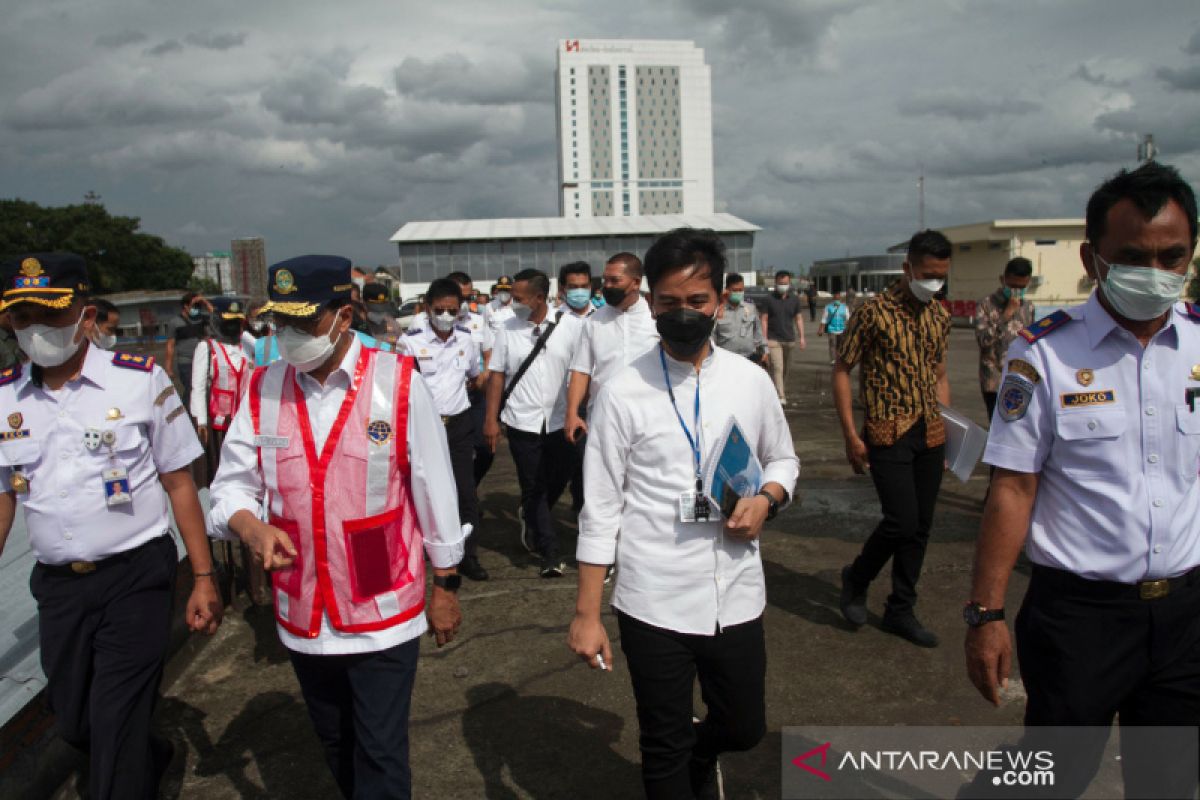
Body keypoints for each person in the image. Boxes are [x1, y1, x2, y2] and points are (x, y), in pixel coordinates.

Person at [964, 162, 1200, 798]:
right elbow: (1012, 488)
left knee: (1171, 778)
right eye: (1133, 256)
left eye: (1172, 256)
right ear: (1093, 257)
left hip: (1185, 613)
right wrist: (985, 614)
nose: (1155, 272)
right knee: (1054, 773)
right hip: (1080, 619)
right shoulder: (1043, 353)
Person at [207, 255, 466, 800]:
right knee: (334, 741)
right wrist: (251, 528)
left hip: (382, 600)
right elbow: (230, 485)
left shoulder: (396, 382)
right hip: (302, 600)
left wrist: (445, 585)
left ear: (343, 316)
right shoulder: (263, 387)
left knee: (380, 749)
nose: (288, 337)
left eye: (303, 323)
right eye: (279, 324)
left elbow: (433, 488)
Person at [568, 228, 798, 799]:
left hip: (737, 591)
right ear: (651, 302)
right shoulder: (622, 391)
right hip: (654, 598)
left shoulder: (749, 381)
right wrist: (587, 613)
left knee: (745, 728)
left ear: (720, 301)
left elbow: (784, 458)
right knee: (662, 745)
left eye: (697, 302)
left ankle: (705, 752)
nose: (683, 313)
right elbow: (599, 508)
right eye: (669, 302)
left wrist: (767, 499)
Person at [0, 253, 221, 800]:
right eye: (23, 318)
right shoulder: (5, 397)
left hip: (134, 577)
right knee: (75, 720)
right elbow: (4, 496)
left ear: (85, 314)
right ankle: (153, 754)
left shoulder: (139, 382)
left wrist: (202, 576)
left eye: (51, 316)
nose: (38, 331)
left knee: (116, 721)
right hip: (59, 588)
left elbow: (179, 484)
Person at [834, 229, 952, 647]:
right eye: (926, 274)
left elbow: (939, 373)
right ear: (907, 269)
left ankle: (901, 608)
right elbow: (842, 368)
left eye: (941, 275)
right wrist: (851, 434)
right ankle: (857, 576)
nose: (933, 282)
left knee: (921, 526)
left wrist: (947, 431)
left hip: (930, 431)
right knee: (901, 519)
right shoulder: (873, 312)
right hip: (886, 430)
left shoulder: (940, 314)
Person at [483, 269, 583, 577]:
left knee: (561, 477)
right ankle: (549, 551)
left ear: (540, 298)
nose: (513, 302)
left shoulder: (572, 327)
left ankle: (531, 515)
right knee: (533, 484)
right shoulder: (507, 330)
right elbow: (497, 376)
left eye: (520, 297)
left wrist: (578, 411)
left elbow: (582, 372)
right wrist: (491, 420)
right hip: (521, 421)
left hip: (560, 420)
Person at [397, 278, 487, 582]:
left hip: (458, 423)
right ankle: (424, 551)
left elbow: (474, 376)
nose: (446, 316)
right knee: (424, 490)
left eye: (452, 310)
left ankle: (468, 555)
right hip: (424, 427)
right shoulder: (410, 342)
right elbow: (403, 386)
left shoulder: (465, 339)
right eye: (440, 310)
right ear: (427, 308)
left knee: (465, 491)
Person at [189, 297, 250, 483]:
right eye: (228, 320)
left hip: (244, 420)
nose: (232, 325)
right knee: (220, 471)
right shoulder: (207, 348)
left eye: (236, 321)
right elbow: (198, 387)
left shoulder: (246, 348)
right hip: (219, 423)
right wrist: (200, 421)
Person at [973, 257, 1036, 419]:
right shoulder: (985, 305)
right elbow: (983, 341)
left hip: (1022, 378)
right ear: (1003, 280)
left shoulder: (1028, 307)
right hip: (994, 380)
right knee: (998, 426)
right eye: (1013, 286)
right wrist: (1005, 316)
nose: (1017, 291)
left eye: (1022, 287)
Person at [759, 270, 806, 406]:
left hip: (789, 339)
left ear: (789, 283)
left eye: (785, 283)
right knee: (777, 367)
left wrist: (802, 337)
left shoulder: (794, 299)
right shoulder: (768, 299)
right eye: (780, 283)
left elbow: (798, 318)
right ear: (775, 283)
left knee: (785, 368)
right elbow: (764, 319)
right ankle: (780, 395)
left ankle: (780, 388)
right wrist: (764, 339)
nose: (783, 286)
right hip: (773, 339)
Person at [164, 291, 213, 410]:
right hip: (186, 361)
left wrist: (204, 302)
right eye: (194, 305)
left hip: (202, 360)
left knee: (204, 388)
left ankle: (200, 415)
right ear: (185, 306)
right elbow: (170, 345)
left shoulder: (201, 319)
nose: (196, 309)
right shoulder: (174, 322)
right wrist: (168, 368)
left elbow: (215, 316)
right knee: (190, 389)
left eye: (198, 306)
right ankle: (187, 415)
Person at [713, 273, 766, 363]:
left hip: (748, 357)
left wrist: (764, 350)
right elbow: (712, 336)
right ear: (727, 290)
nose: (738, 293)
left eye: (740, 290)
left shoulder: (750, 308)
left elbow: (758, 331)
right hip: (725, 360)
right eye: (735, 290)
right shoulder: (718, 311)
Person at [363, 282, 402, 348]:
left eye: (382, 307)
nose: (379, 311)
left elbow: (402, 349)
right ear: (364, 303)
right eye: (375, 308)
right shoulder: (358, 326)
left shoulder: (394, 325)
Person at [817, 291, 850, 366]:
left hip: (842, 329)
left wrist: (849, 328)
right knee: (832, 344)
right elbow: (824, 318)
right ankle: (833, 360)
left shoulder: (845, 307)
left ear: (840, 299)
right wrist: (821, 329)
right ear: (833, 298)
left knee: (841, 345)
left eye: (838, 298)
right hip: (831, 329)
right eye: (835, 298)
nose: (837, 299)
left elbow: (848, 319)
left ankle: (839, 359)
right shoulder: (828, 307)